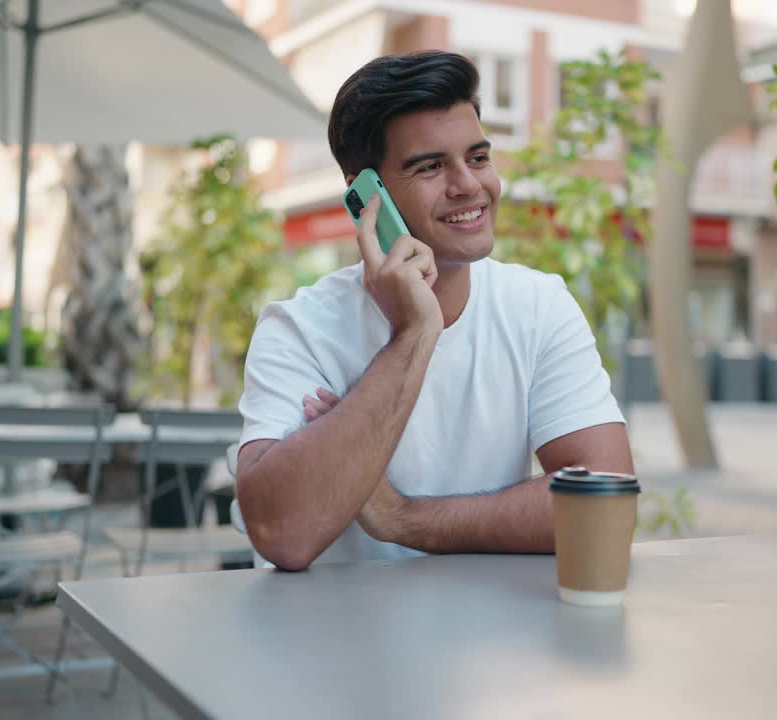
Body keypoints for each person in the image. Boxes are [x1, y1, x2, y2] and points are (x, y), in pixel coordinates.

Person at [230, 50, 633, 571]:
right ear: (366, 199)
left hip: (485, 640)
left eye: (479, 157)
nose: (469, 184)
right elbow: (281, 532)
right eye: (431, 166)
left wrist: (401, 517)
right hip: (327, 642)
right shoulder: (299, 328)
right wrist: (415, 333)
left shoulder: (538, 305)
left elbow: (604, 501)